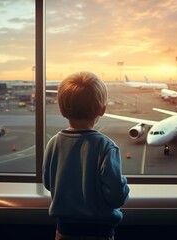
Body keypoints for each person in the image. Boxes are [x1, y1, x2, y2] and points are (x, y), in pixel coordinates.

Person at [43, 71, 130, 240]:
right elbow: (116, 197)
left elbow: (48, 183)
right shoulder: (106, 147)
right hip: (99, 233)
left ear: (61, 110)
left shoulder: (53, 143)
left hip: (64, 231)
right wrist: (123, 184)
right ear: (102, 110)